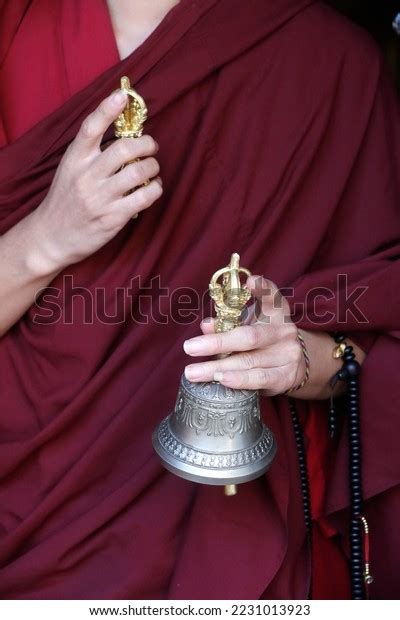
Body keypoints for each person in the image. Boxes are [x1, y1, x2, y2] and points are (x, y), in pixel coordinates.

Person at [0, 0, 399, 600]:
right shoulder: (12, 33)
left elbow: (376, 349)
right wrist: (46, 237)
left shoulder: (332, 65)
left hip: (218, 545)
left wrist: (297, 360)